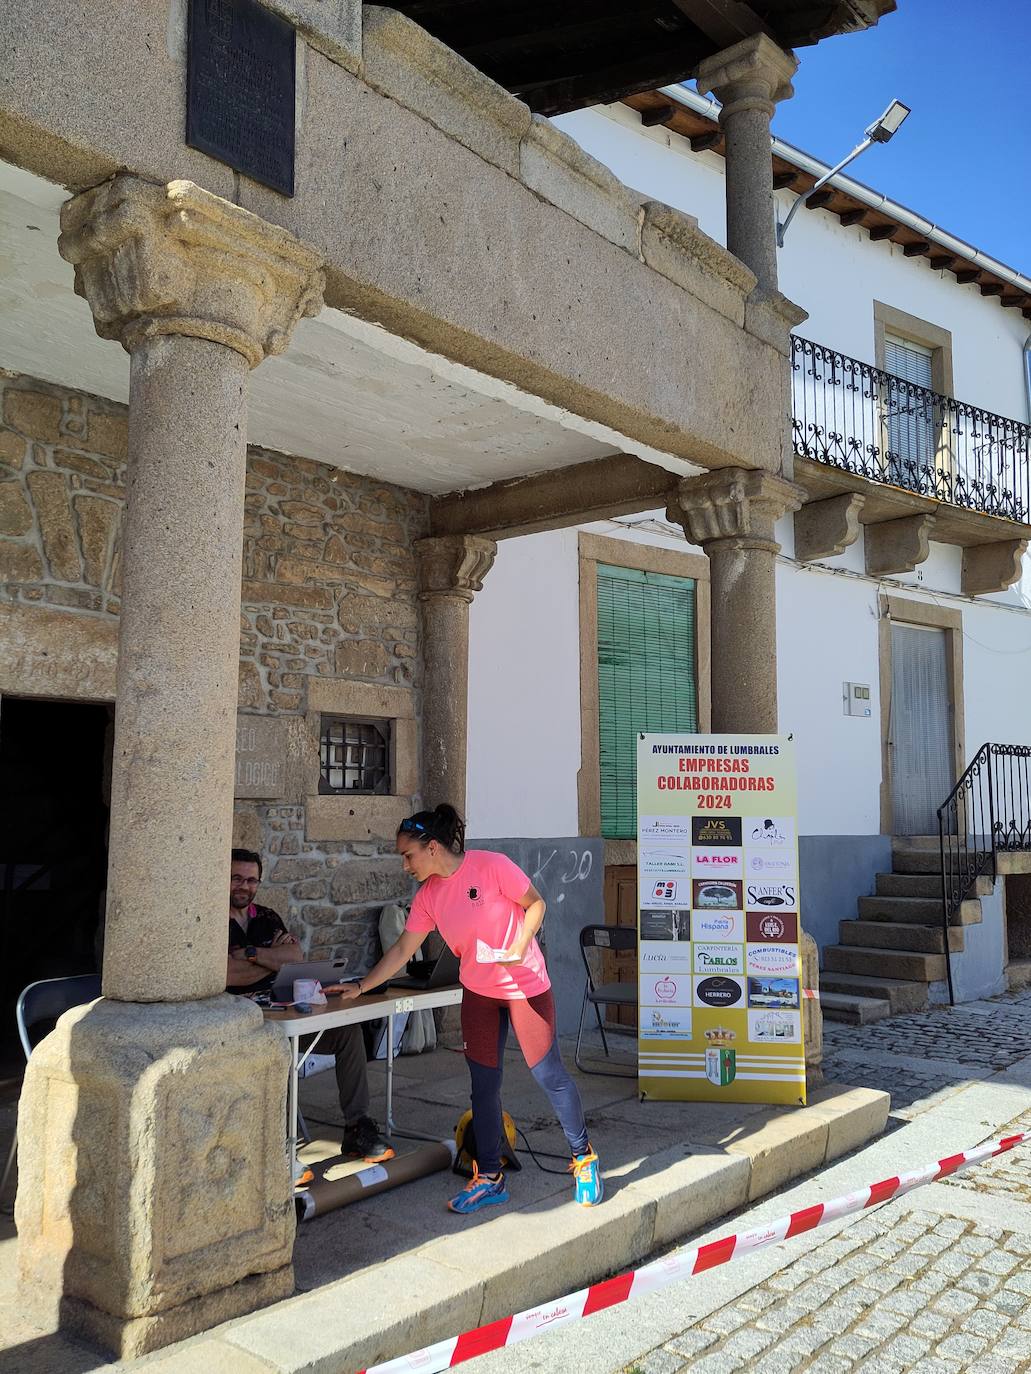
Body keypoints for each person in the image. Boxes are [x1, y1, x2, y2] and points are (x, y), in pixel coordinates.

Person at [326, 807, 603, 1214]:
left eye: (409, 855)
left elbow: (537, 905)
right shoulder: (429, 896)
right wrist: (362, 986)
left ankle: (584, 1158)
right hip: (479, 993)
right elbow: (404, 949)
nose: (405, 865)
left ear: (432, 848)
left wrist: (519, 946)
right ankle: (489, 1177)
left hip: (524, 986)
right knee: (483, 1085)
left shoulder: (492, 866)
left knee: (548, 1073)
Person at [227, 848, 392, 1164]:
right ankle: (279, 1145)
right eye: (236, 878)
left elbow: (295, 958)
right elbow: (226, 974)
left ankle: (357, 1127)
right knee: (276, 1046)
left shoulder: (266, 917)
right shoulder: (208, 920)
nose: (243, 886)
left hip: (282, 1010)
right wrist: (272, 960)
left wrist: (249, 954)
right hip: (240, 1023)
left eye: (251, 880)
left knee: (347, 1031)